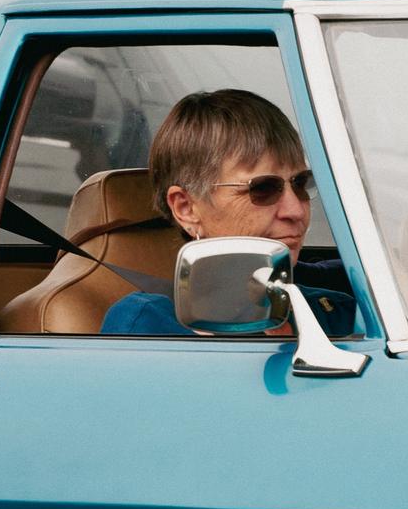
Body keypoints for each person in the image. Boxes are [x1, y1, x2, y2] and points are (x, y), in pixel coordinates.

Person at [101, 89, 356, 336]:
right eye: (263, 188)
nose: (295, 210)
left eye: (301, 183)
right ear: (186, 208)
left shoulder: (334, 312)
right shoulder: (148, 324)